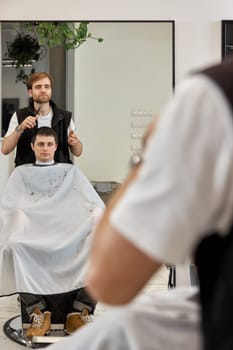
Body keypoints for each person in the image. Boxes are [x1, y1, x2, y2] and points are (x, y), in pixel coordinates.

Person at [47, 57, 233, 350]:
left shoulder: (213, 95)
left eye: (48, 86)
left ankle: (77, 308)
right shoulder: (21, 119)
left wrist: (146, 154)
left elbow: (110, 282)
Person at [0, 127, 105, 338]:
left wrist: (95, 217)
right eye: (41, 144)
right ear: (32, 146)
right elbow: (8, 207)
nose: (45, 149)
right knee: (13, 246)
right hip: (33, 229)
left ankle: (79, 311)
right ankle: (37, 311)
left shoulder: (70, 171)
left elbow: (94, 204)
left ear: (56, 146)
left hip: (68, 228)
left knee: (101, 244)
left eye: (49, 144)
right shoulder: (21, 173)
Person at [1, 72, 82, 167]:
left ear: (51, 90)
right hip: (28, 175)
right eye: (38, 87)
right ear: (30, 92)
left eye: (47, 86)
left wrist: (75, 143)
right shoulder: (19, 116)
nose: (43, 90)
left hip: (59, 175)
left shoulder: (65, 116)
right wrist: (20, 128)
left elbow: (78, 153)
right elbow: (5, 150)